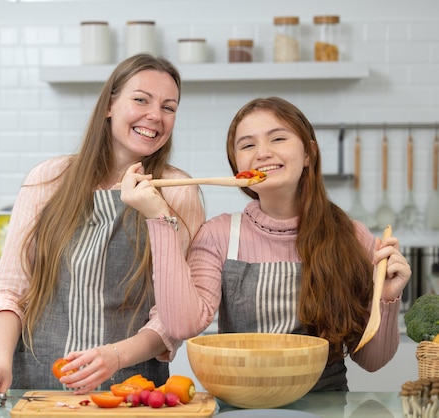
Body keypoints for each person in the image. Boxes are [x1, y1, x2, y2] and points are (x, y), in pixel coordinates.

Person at [121, 96, 412, 391]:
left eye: (278, 138)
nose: (262, 153)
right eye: (248, 145)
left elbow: (372, 360)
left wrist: (386, 296)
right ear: (238, 169)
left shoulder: (352, 236)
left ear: (309, 153)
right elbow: (183, 325)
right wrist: (158, 217)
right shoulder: (218, 235)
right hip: (239, 407)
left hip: (326, 408)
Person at [0, 53, 205, 405]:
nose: (155, 115)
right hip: (36, 390)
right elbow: (10, 288)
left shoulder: (177, 191)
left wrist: (116, 356)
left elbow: (173, 318)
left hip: (131, 395)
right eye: (141, 99)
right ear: (109, 105)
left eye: (169, 107)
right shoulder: (48, 179)